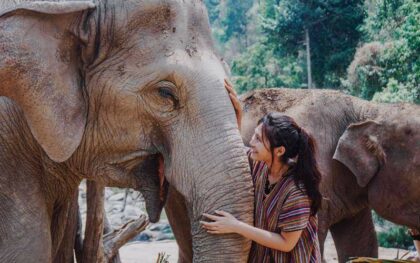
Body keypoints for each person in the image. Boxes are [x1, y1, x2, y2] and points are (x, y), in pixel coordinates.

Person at [200, 80, 322, 262]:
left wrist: (235, 226)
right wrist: (237, 114)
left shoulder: (297, 192)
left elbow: (286, 243)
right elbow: (236, 151)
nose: (252, 142)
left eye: (258, 139)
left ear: (279, 150)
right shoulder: (261, 165)